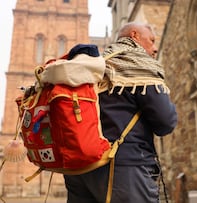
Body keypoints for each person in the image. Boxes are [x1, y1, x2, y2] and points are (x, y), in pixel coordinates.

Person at [64, 22, 178, 203]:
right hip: (124, 170)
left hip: (79, 170)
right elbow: (165, 122)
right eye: (151, 40)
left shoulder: (95, 67)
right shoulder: (138, 65)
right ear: (135, 36)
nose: (155, 49)